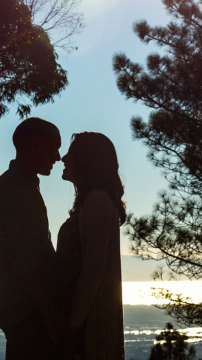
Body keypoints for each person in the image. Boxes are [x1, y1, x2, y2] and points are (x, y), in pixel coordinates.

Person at [0, 117, 71, 359]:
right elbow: (25, 260)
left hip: (24, 315)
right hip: (28, 317)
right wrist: (50, 315)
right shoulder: (17, 188)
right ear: (34, 144)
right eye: (53, 148)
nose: (57, 157)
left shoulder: (17, 184)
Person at [56, 131, 126, 360]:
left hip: (87, 331)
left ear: (88, 160)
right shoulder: (93, 201)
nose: (63, 159)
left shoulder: (97, 200)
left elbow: (92, 272)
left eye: (71, 153)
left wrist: (70, 324)